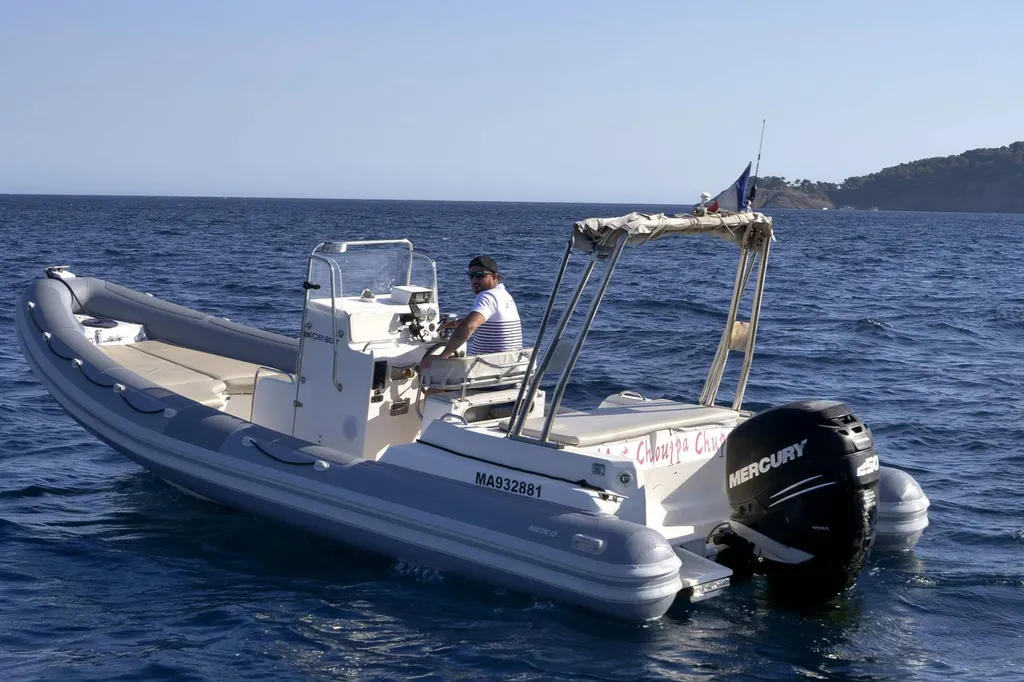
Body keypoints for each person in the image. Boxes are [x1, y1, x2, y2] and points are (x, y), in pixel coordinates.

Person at [421, 255, 522, 367]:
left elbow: (468, 326)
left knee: (429, 368)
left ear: (494, 277)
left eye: (480, 275)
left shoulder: (487, 296)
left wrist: (443, 356)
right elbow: (479, 321)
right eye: (471, 275)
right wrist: (454, 324)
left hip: (487, 369)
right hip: (509, 367)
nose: (474, 280)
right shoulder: (504, 295)